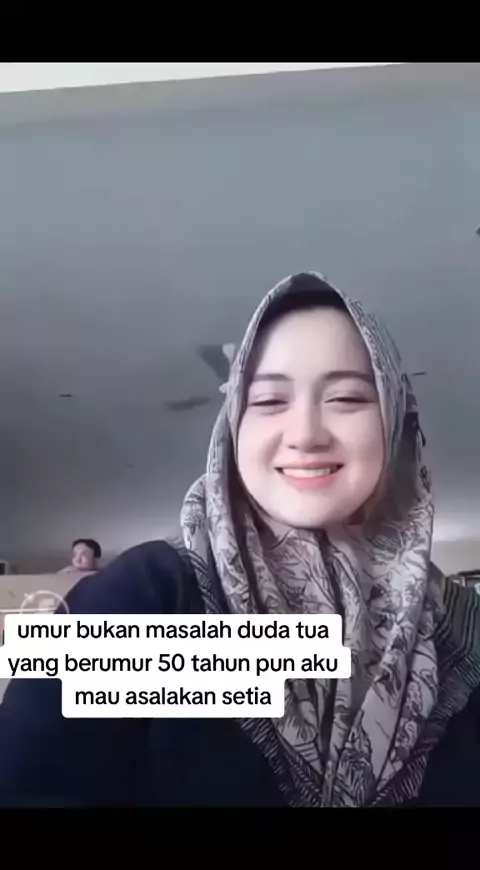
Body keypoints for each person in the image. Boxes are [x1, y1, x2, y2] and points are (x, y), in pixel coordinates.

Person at [1, 271, 480, 807]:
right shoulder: (150, 595)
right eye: (269, 401)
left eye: (346, 397)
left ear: (395, 417)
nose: (305, 434)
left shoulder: (461, 633)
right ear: (233, 427)